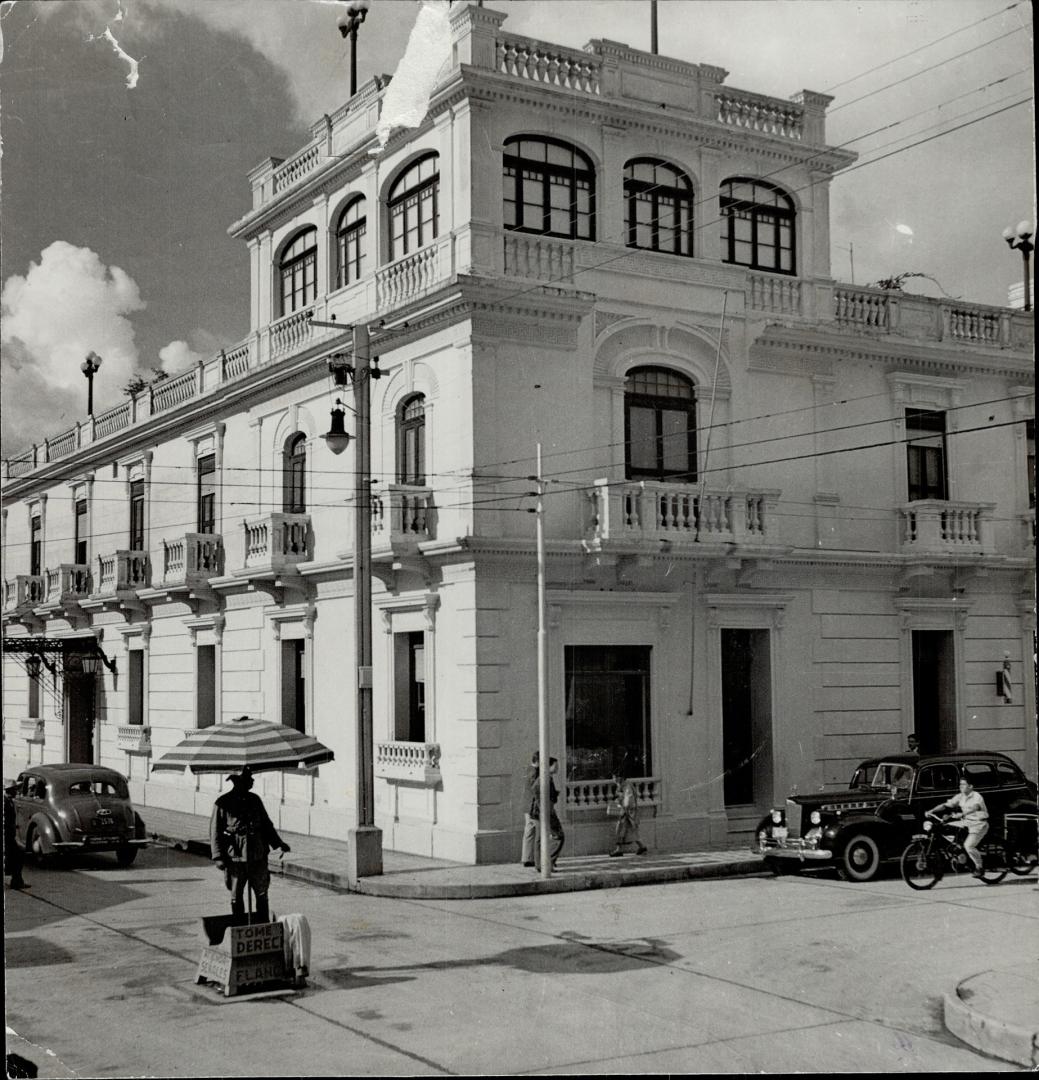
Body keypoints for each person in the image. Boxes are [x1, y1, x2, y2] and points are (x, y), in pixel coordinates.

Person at [210, 767, 290, 922]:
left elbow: (266, 825)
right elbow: (215, 831)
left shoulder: (255, 800)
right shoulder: (222, 803)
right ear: (238, 781)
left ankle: (262, 924)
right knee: (236, 893)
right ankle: (239, 926)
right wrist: (218, 856)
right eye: (248, 778)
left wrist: (279, 843)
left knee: (262, 892)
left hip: (257, 855)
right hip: (236, 858)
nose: (252, 780)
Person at [938, 776, 989, 876]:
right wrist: (931, 811)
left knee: (969, 846)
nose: (960, 786)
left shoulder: (976, 796)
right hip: (966, 822)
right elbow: (946, 805)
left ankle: (979, 867)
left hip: (978, 823)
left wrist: (963, 813)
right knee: (945, 826)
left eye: (963, 784)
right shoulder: (960, 796)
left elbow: (976, 807)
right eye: (960, 784)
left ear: (970, 786)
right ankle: (959, 853)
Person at [528, 754, 564, 871]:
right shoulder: (544, 779)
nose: (557, 767)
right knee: (559, 837)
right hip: (544, 812)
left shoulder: (546, 778)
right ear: (549, 766)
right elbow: (537, 791)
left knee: (540, 839)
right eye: (555, 765)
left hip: (540, 812)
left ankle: (541, 864)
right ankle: (547, 862)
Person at [610, 772, 647, 857]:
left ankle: (619, 850)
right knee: (630, 832)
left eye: (615, 777)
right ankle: (642, 847)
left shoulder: (627, 786)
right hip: (628, 812)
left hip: (628, 812)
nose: (613, 779)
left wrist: (623, 807)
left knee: (620, 830)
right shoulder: (623, 786)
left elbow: (629, 800)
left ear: (620, 778)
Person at [4, 784, 27, 890]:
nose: (17, 791)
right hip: (7, 836)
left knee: (18, 856)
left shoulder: (10, 802)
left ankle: (17, 881)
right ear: (11, 790)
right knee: (18, 855)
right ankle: (16, 881)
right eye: (15, 789)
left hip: (10, 835)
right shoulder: (5, 802)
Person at [520, 750, 539, 867]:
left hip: (526, 804)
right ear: (537, 761)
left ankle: (527, 858)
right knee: (536, 831)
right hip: (532, 805)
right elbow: (535, 788)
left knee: (529, 830)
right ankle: (531, 858)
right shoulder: (535, 772)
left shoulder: (527, 769)